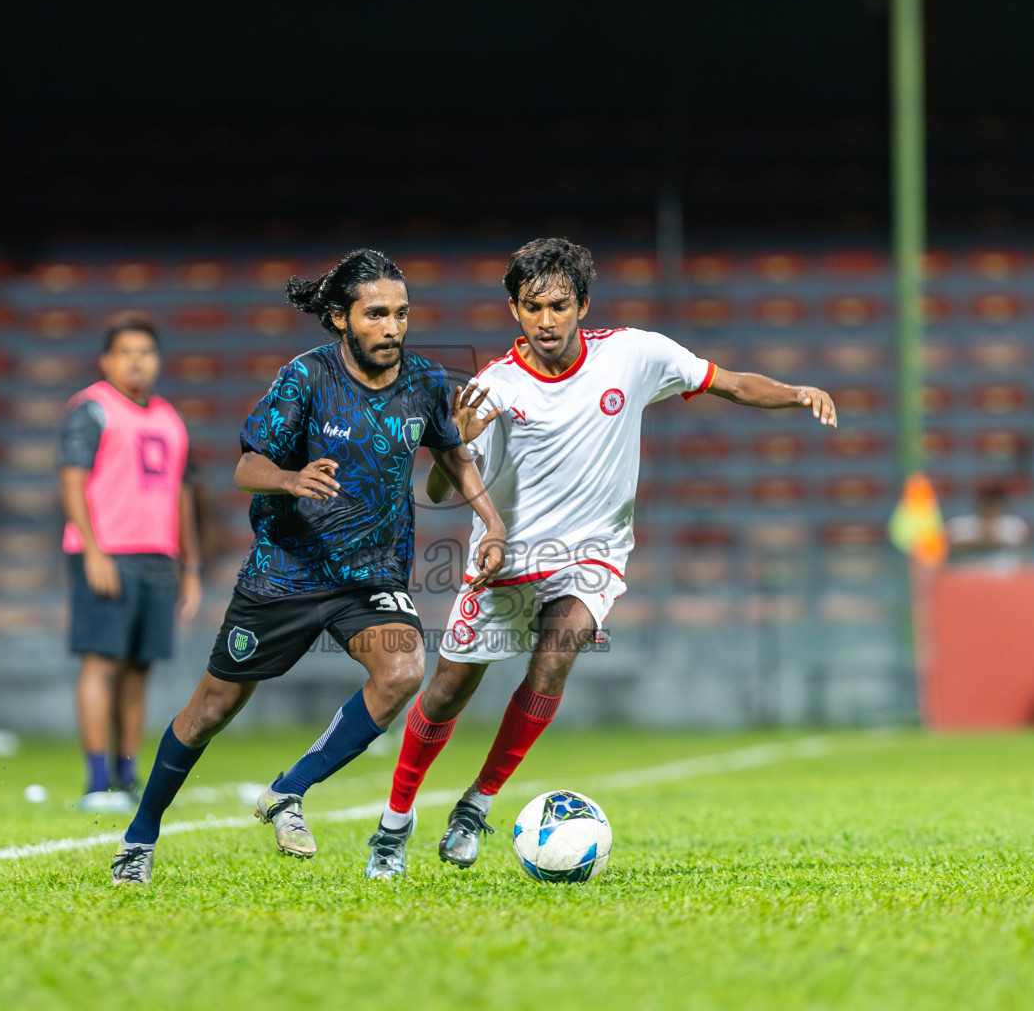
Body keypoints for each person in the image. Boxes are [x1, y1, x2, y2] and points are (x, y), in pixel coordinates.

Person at [363, 238, 839, 878]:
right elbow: (438, 490)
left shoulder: (637, 355)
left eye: (559, 305)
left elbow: (728, 383)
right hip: (507, 556)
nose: (547, 321)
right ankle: (395, 823)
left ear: (582, 305)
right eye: (533, 307)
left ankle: (477, 805)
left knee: (558, 651)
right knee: (448, 690)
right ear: (515, 311)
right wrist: (453, 443)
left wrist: (796, 391)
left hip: (594, 553)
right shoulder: (492, 387)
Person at [110, 249, 507, 885]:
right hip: (286, 573)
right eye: (376, 314)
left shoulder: (429, 382)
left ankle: (287, 791)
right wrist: (290, 479)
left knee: (402, 669)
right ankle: (139, 836)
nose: (393, 327)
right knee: (210, 710)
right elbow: (247, 466)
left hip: (370, 578)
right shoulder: (305, 378)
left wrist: (492, 521)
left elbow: (453, 454)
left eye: (401, 313)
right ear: (340, 317)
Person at [58, 312, 202, 809]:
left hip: (159, 559)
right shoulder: (92, 409)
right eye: (126, 352)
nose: (137, 361)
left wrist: (191, 567)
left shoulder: (169, 418)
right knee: (102, 663)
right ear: (106, 360)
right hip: (108, 554)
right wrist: (93, 549)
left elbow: (184, 494)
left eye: (145, 351)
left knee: (140, 669)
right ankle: (96, 781)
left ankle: (126, 775)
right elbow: (72, 481)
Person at [946, 480, 1030, 564]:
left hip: (1005, 572)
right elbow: (948, 551)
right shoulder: (958, 525)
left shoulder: (1015, 524)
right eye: (987, 501)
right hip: (967, 571)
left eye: (995, 501)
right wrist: (982, 540)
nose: (990, 506)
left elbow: (1023, 552)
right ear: (978, 503)